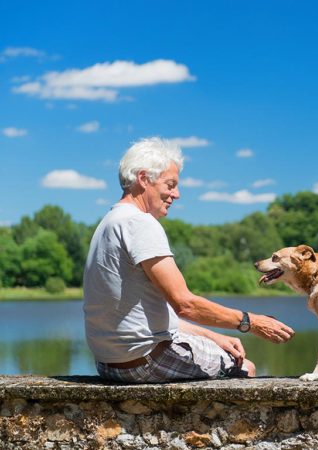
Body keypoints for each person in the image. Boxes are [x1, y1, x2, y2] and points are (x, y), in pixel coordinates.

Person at [83, 137, 295, 383]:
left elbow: (154, 317)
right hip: (144, 361)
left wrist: (213, 336)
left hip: (109, 363)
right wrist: (250, 322)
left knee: (224, 349)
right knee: (244, 367)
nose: (177, 194)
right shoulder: (140, 223)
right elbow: (185, 304)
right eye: (170, 184)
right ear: (143, 179)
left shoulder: (110, 221)